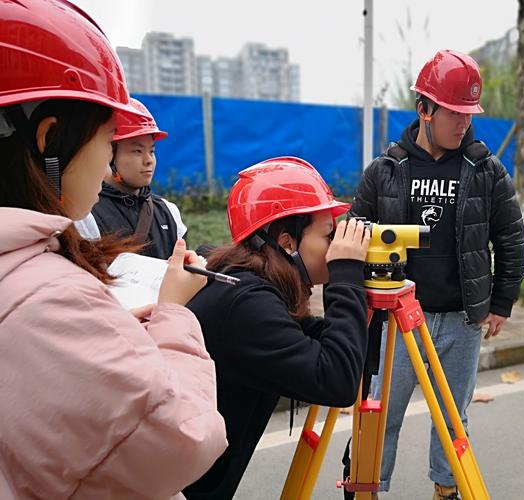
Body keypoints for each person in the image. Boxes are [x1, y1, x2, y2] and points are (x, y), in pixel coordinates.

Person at [0, 1, 226, 498]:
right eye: (113, 143)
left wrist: (114, 335)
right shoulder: (48, 296)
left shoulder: (163, 212)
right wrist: (171, 313)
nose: (114, 165)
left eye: (151, 150)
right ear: (50, 138)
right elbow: (179, 439)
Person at [350, 49, 524, 500]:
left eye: (469, 113)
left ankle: (446, 490)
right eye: (454, 112)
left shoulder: (486, 171)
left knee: (452, 416)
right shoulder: (386, 171)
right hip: (399, 320)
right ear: (424, 109)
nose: (463, 123)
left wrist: (501, 302)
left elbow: (510, 239)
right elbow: (351, 239)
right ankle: (365, 487)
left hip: (463, 320)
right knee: (381, 412)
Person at [183, 157, 371, 499]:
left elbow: (301, 334)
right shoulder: (245, 305)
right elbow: (337, 380)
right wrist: (346, 277)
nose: (334, 247)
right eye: (329, 235)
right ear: (287, 242)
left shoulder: (249, 287)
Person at [75, 97, 187, 259]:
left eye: (152, 151)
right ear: (110, 155)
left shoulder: (168, 212)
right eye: (137, 151)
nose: (148, 160)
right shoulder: (86, 215)